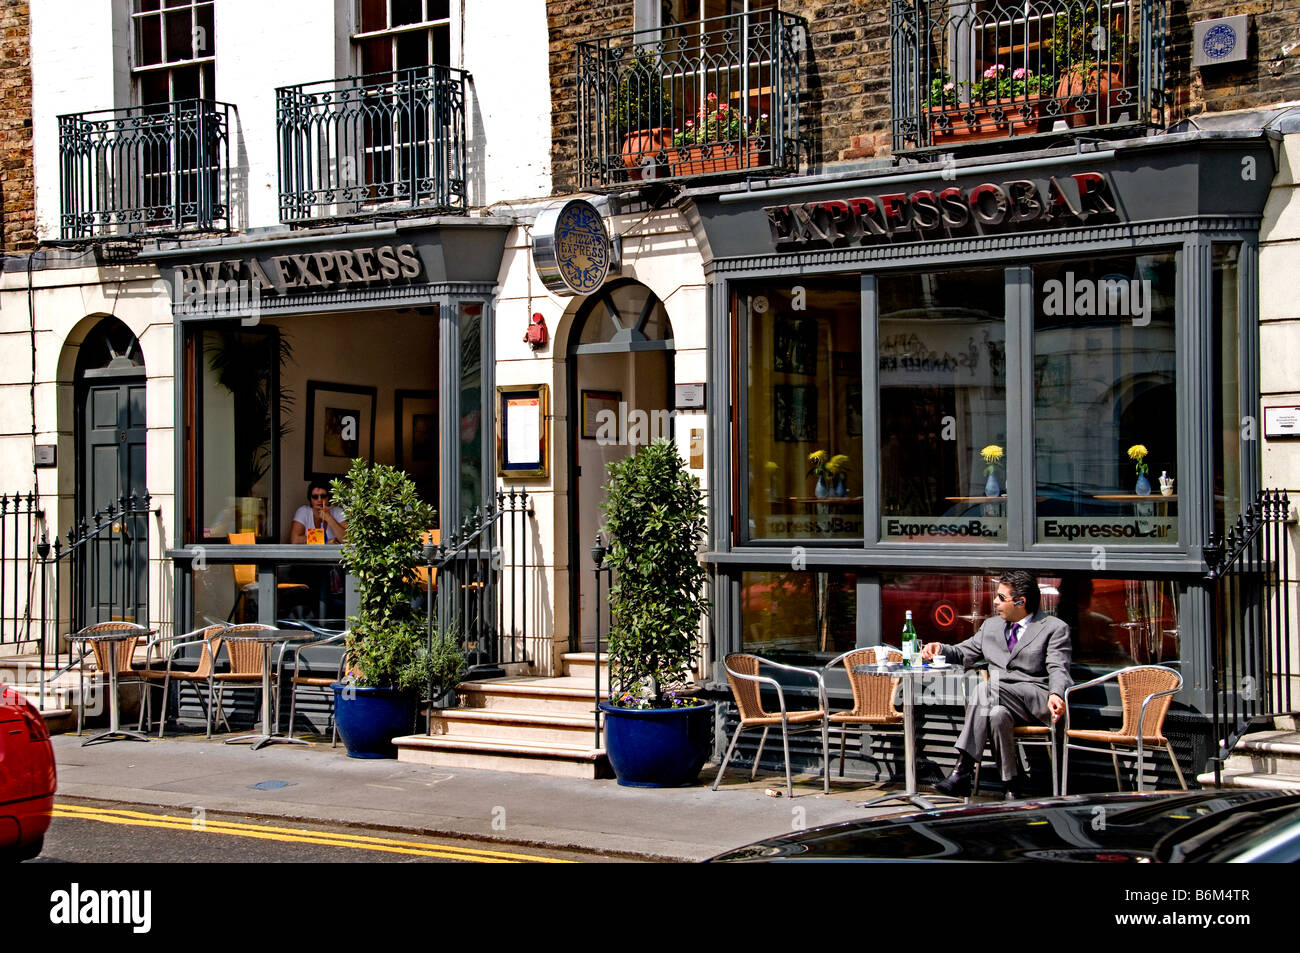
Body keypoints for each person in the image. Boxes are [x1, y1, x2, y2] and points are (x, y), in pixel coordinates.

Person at [921, 569, 1072, 800]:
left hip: (1034, 699)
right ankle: (1011, 786)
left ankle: (962, 770)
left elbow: (1058, 666)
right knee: (997, 713)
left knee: (985, 689)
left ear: (1021, 601)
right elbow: (963, 652)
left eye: (1001, 597)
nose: (995, 601)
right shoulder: (991, 627)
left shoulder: (1054, 627)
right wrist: (939, 648)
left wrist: (1056, 693)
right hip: (998, 699)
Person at [289, 480, 347, 544]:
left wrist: (329, 518)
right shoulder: (303, 511)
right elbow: (295, 540)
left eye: (323, 496)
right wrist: (324, 540)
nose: (319, 500)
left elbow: (347, 540)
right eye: (315, 497)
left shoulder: (337, 511)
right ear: (310, 499)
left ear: (329, 498)